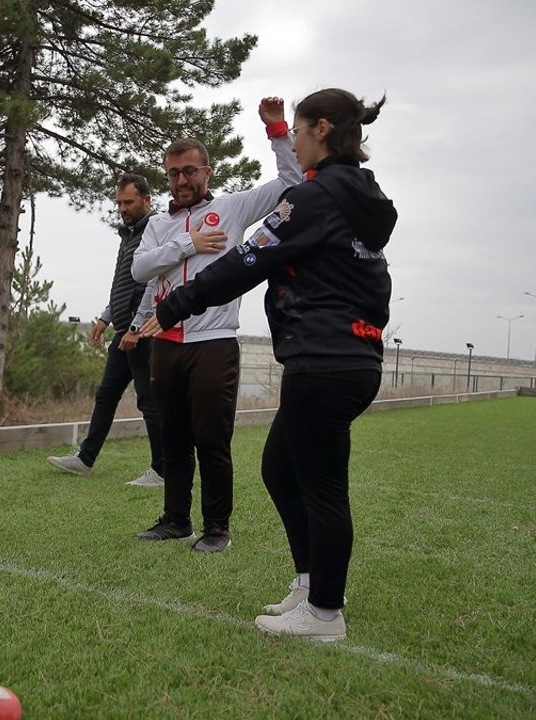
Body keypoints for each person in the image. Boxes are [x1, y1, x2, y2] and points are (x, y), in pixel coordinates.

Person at [139, 89, 396, 640]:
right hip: (347, 355)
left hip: (325, 359)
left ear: (321, 130)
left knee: (322, 485)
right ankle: (311, 583)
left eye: (299, 131)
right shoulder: (359, 197)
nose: (296, 141)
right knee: (280, 469)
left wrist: (176, 303)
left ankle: (325, 613)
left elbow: (245, 261)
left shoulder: (315, 199)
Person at [128, 97, 302, 553]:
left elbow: (291, 182)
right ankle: (174, 520)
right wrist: (189, 243)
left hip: (214, 342)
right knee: (173, 438)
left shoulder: (233, 208)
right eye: (173, 173)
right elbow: (140, 269)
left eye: (190, 171)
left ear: (207, 172)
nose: (181, 180)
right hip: (164, 341)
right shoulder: (159, 224)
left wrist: (278, 131)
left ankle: (217, 527)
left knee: (211, 439)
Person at [46, 173, 164, 487]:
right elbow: (124, 284)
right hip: (123, 329)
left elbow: (152, 283)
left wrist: (137, 328)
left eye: (129, 202)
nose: (122, 208)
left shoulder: (156, 228)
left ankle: (162, 469)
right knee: (106, 395)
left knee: (148, 400)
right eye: (119, 203)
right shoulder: (128, 234)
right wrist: (106, 316)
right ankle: (85, 459)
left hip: (142, 332)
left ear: (146, 199)